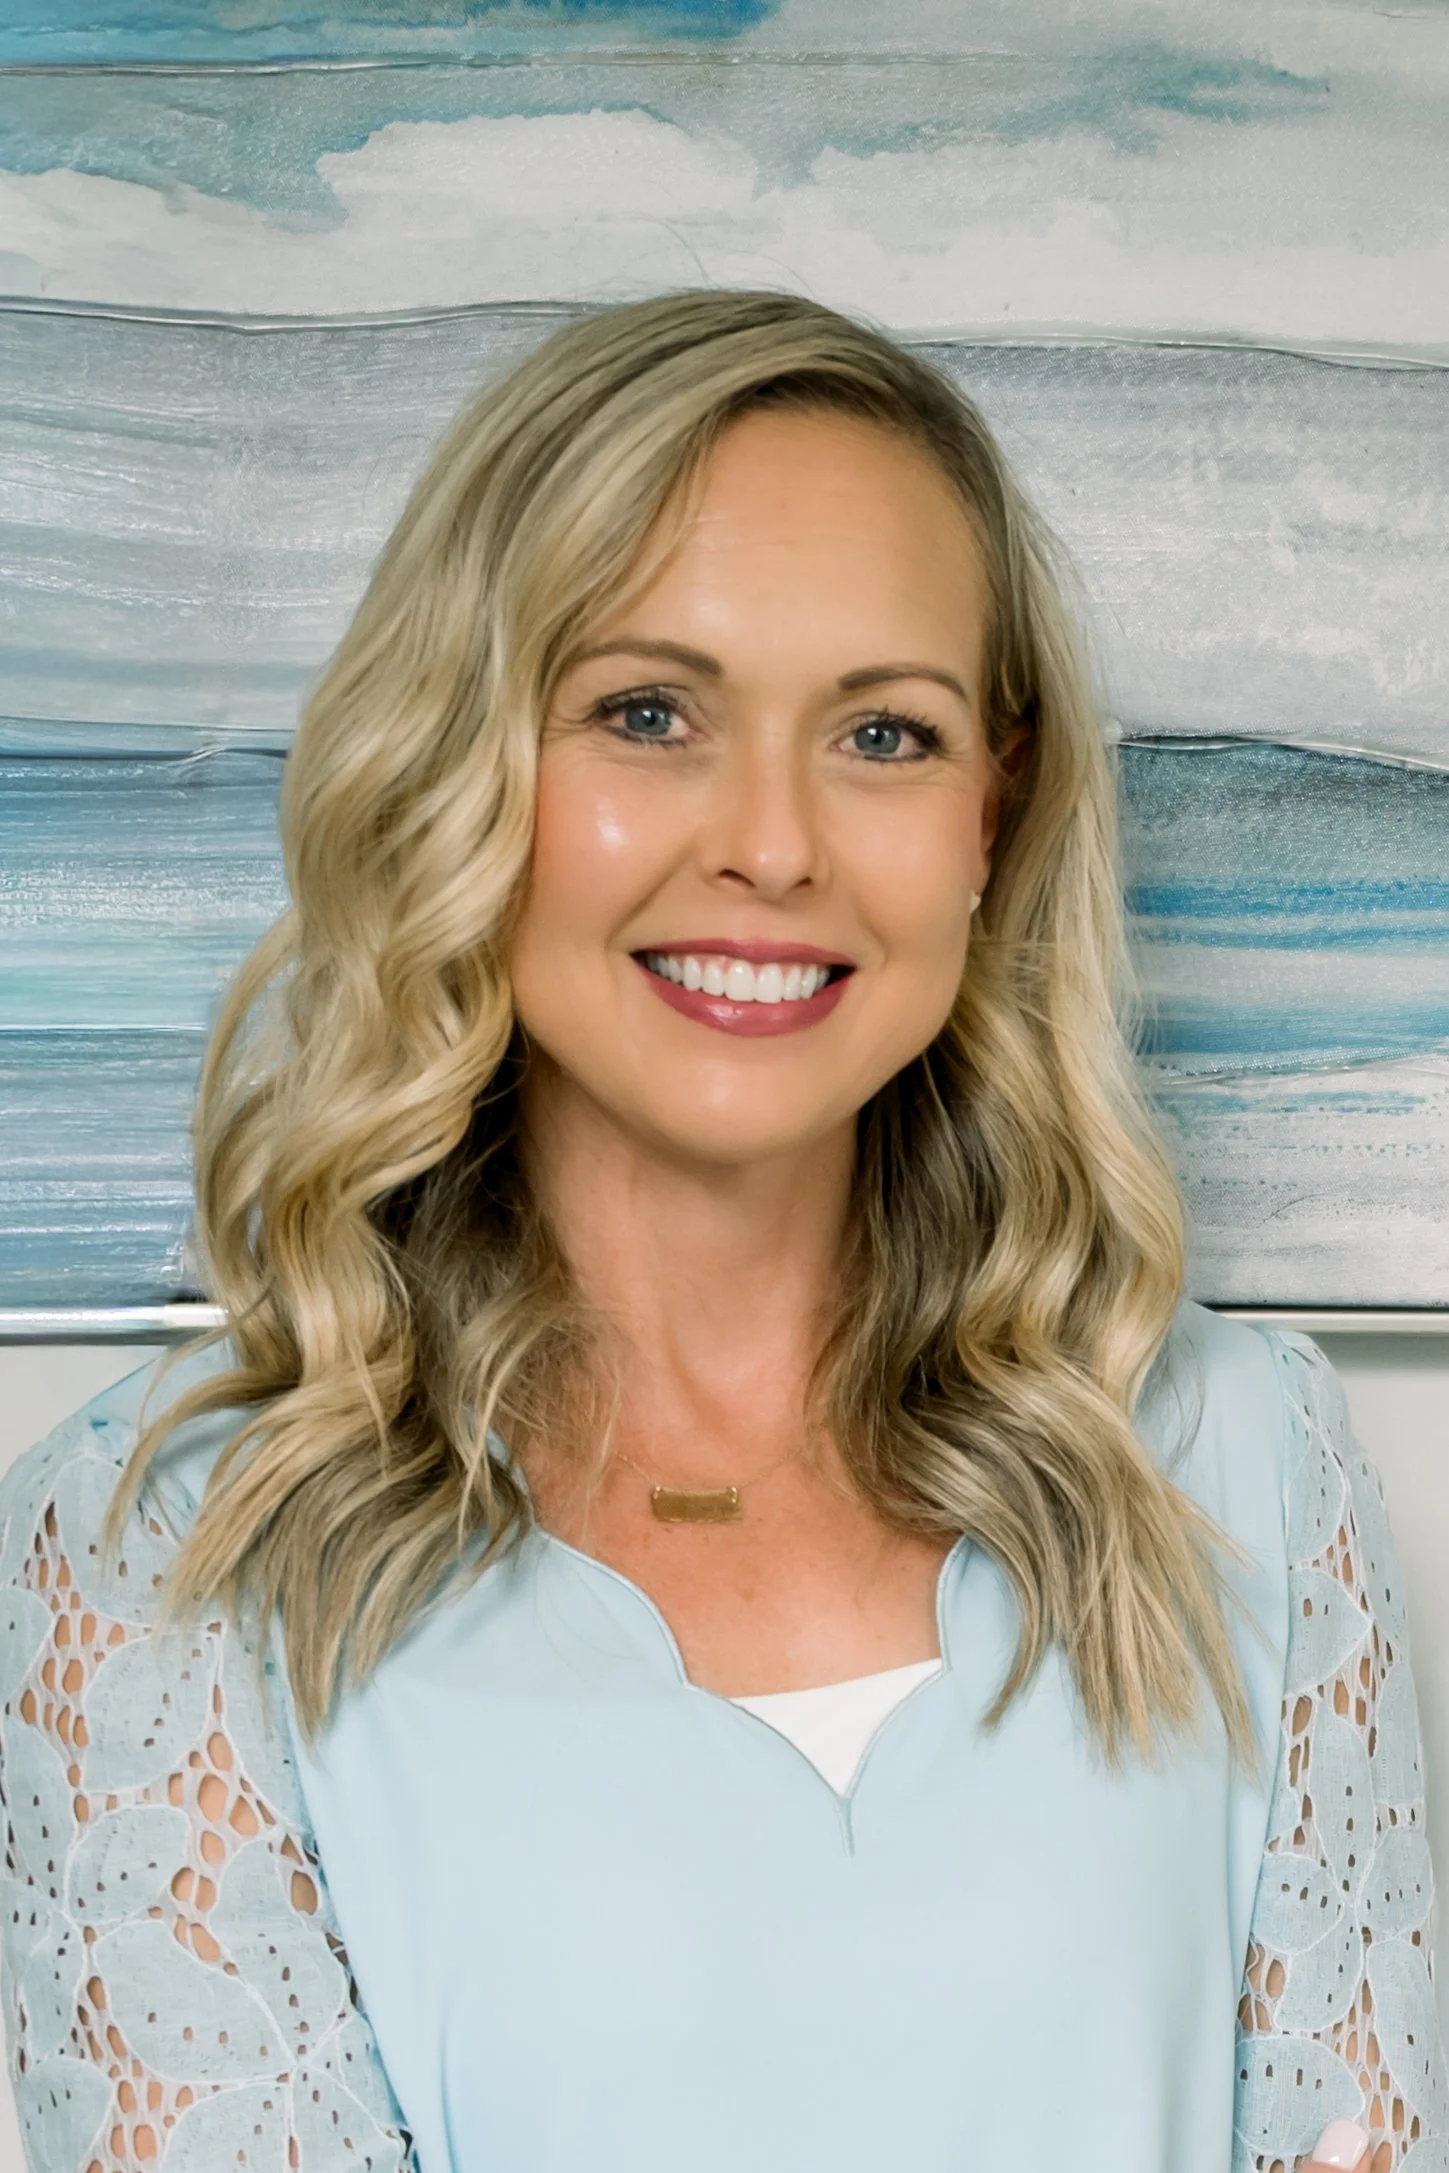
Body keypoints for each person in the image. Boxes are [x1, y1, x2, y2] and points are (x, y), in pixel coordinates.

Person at [0, 291, 1440, 2173]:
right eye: (649, 712)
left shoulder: (1251, 1465)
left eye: (885, 733)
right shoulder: (168, 1554)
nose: (773, 843)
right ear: (469, 763)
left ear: (995, 812)